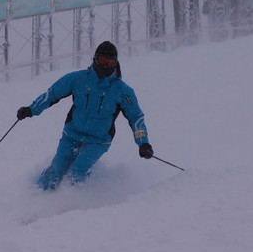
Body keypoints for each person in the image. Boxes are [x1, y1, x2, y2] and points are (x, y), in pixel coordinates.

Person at [17, 41, 154, 190]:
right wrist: (31, 109)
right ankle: (36, 195)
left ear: (116, 63)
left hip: (98, 140)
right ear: (95, 59)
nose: (106, 66)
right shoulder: (77, 79)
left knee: (79, 170)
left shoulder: (122, 91)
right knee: (57, 168)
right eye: (102, 61)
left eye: (110, 62)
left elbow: (136, 118)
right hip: (72, 134)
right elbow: (51, 95)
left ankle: (74, 204)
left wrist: (143, 143)